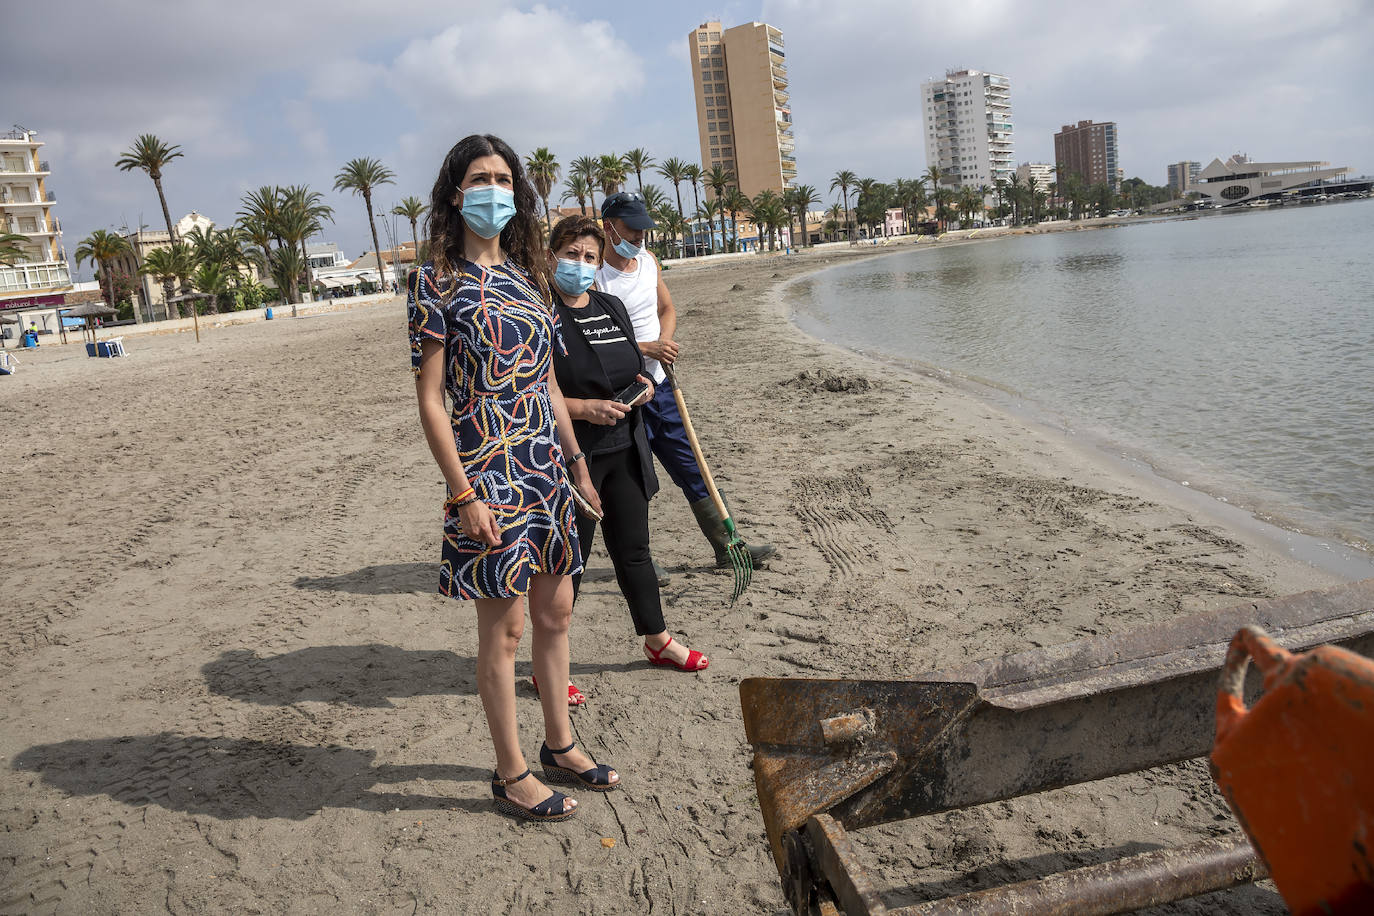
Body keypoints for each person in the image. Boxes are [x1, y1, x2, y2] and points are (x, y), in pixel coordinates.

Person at [408, 134, 619, 822]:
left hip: (547, 473)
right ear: (455, 192)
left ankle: (560, 744)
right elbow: (430, 398)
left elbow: (549, 382)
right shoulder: (437, 279)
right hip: (488, 472)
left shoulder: (531, 277)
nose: (494, 188)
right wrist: (462, 491)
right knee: (504, 632)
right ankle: (511, 772)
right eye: (480, 177)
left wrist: (578, 468)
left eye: (503, 177)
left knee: (556, 613)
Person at [547, 215, 709, 681]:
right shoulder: (542, 314)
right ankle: (551, 668)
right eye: (571, 254)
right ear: (552, 255)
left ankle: (657, 639)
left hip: (625, 447)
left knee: (635, 551)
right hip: (574, 457)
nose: (579, 263)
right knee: (567, 564)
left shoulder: (610, 305)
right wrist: (583, 408)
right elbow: (536, 390)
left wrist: (639, 384)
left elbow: (632, 361)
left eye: (589, 257)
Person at [595, 191, 776, 580]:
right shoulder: (594, 274)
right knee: (631, 481)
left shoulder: (648, 261)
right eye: (632, 229)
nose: (641, 236)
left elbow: (666, 309)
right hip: (621, 395)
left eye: (644, 228)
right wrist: (644, 347)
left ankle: (728, 546)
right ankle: (637, 559)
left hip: (660, 385)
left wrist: (666, 343)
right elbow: (592, 338)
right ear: (609, 227)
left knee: (693, 465)